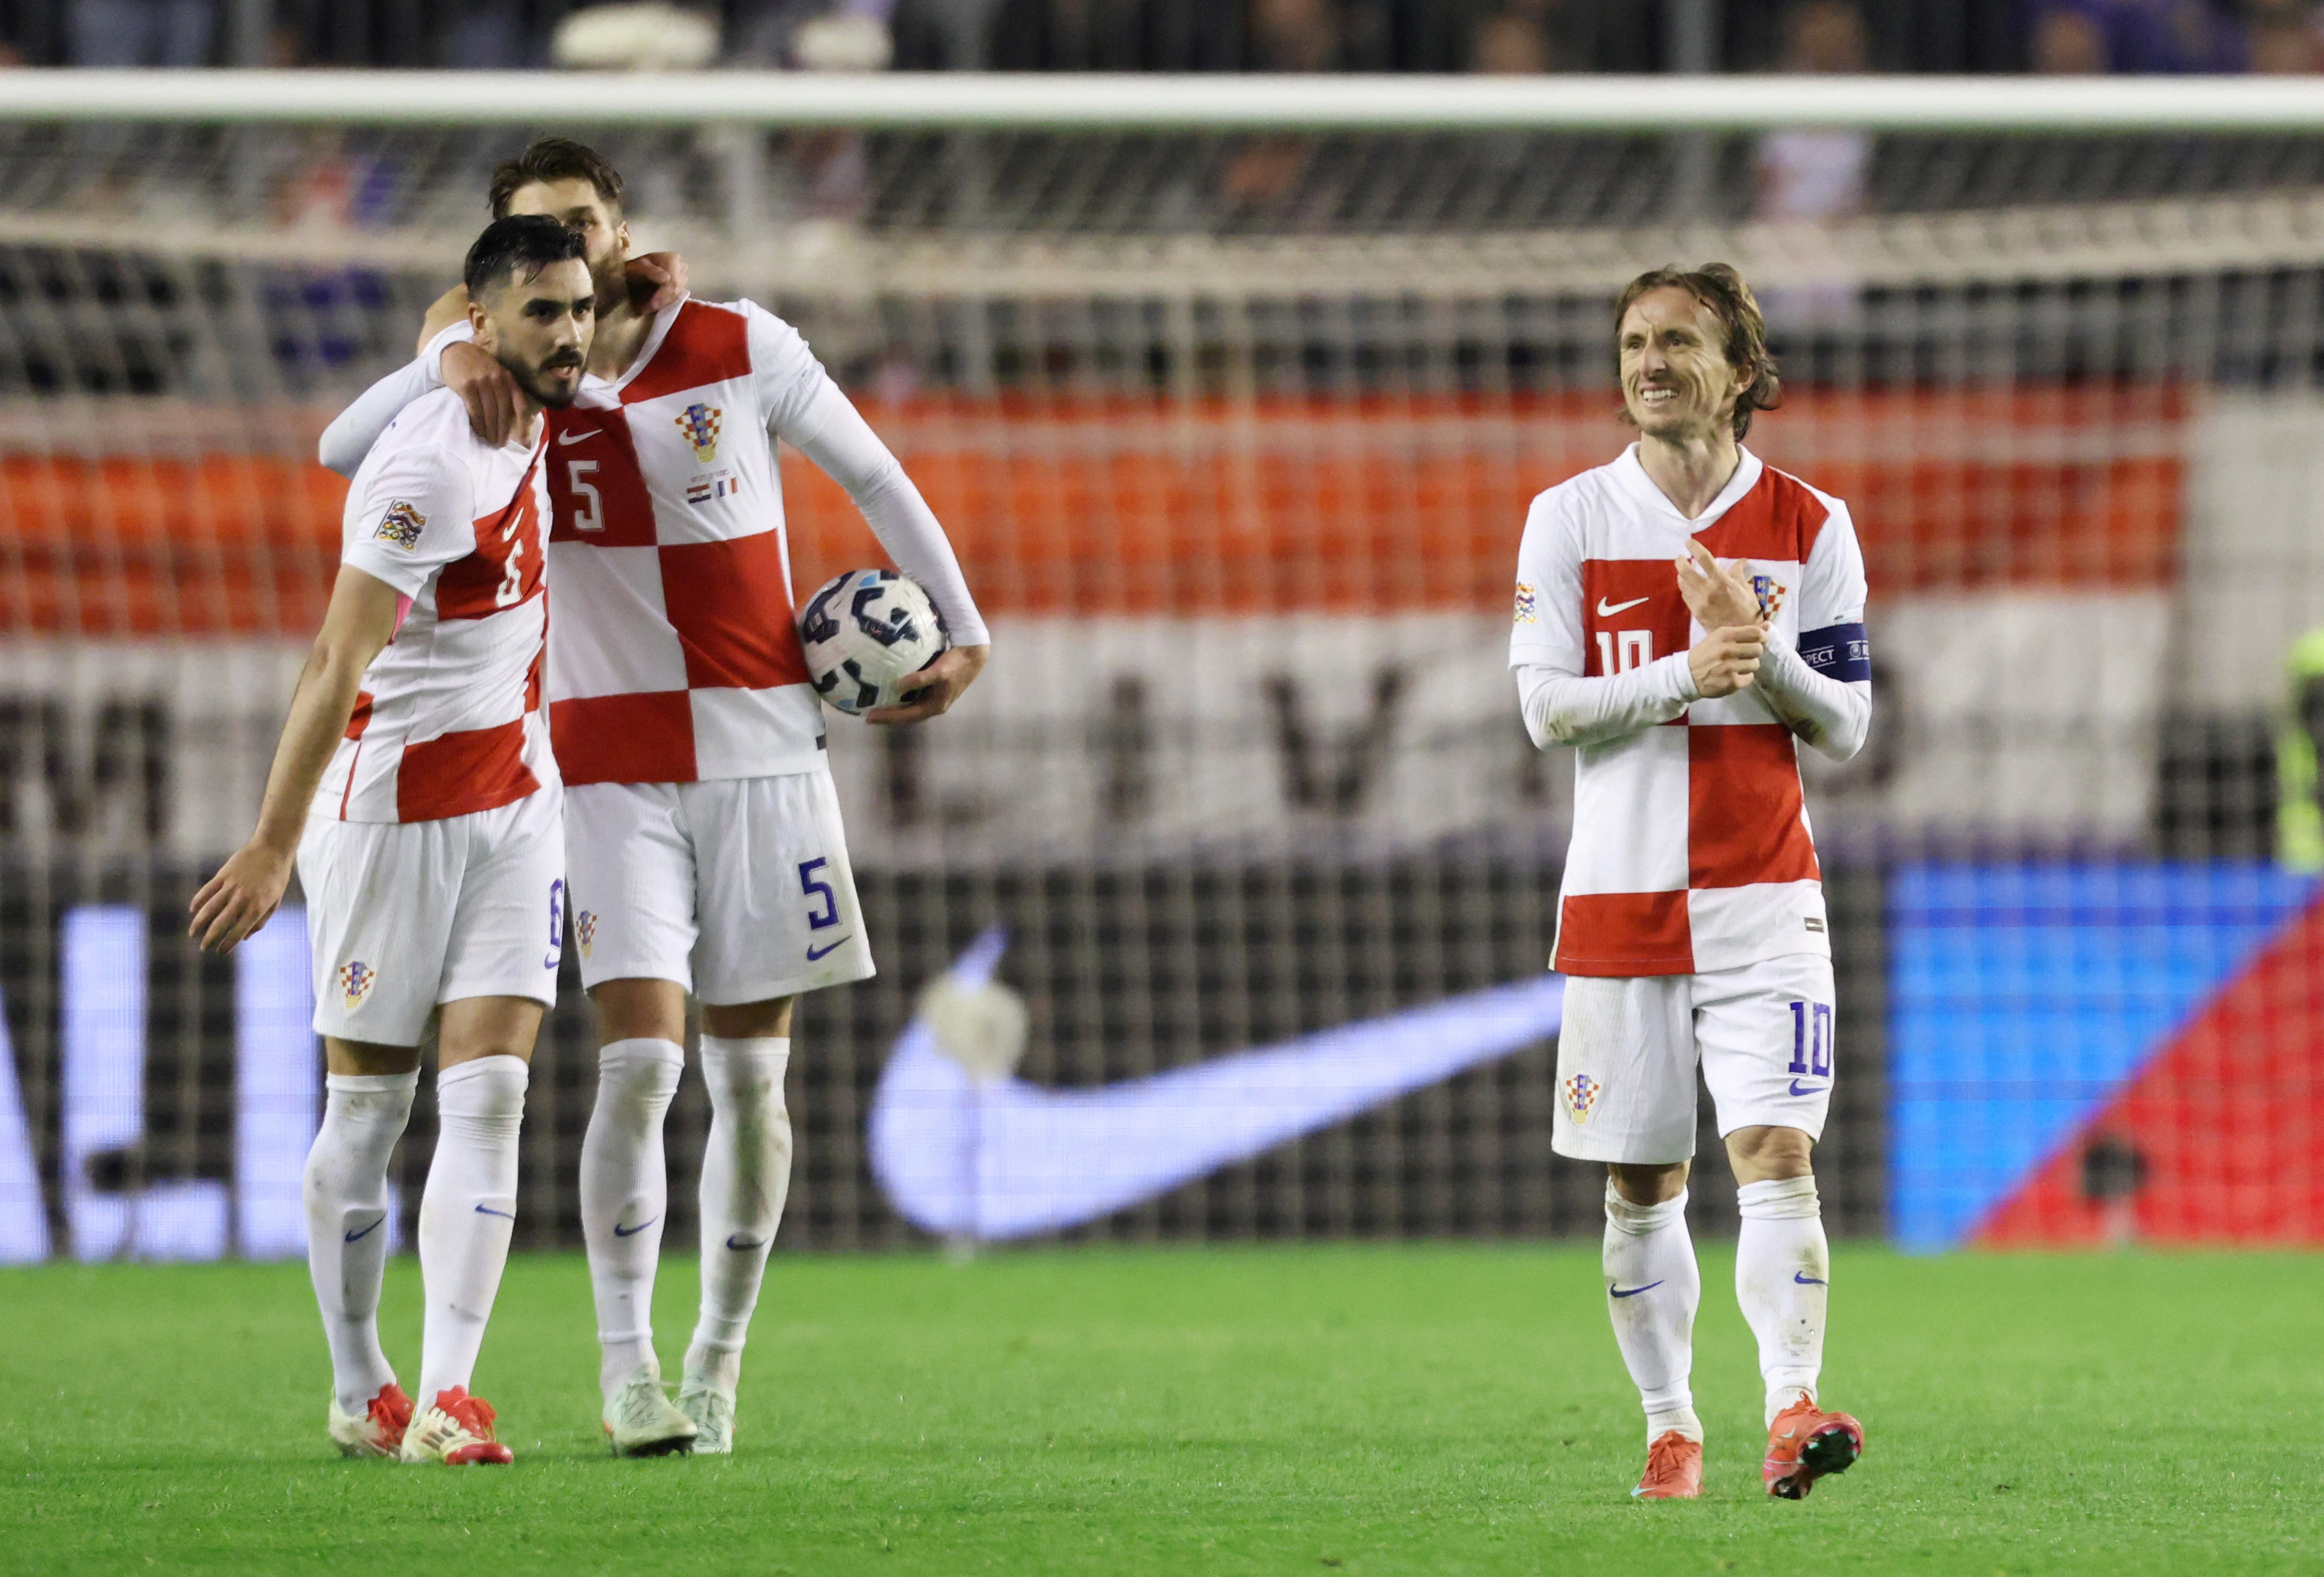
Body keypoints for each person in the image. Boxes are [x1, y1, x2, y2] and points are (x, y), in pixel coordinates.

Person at [317, 137, 989, 1458]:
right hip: (604, 766)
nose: (575, 247)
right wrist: (442, 352)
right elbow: (343, 444)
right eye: (542, 234)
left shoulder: (739, 341)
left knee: (754, 1086)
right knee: (638, 1065)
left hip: (768, 752)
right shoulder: (511, 374)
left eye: (586, 220)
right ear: (508, 264)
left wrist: (962, 631)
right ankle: (628, 1373)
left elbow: (873, 475)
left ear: (621, 224)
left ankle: (718, 1362)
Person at [195, 215, 596, 1466]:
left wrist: (473, 335)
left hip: (518, 806)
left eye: (582, 308)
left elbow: (482, 310)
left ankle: (449, 1396)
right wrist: (270, 845)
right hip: (387, 813)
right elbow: (334, 658)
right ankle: (359, 1375)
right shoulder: (430, 461)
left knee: (493, 1096)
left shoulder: (528, 385)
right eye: (546, 312)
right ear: (487, 323)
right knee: (368, 1114)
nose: (574, 332)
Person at [1507, 263, 1871, 1501]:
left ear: (1742, 372)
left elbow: (1848, 725)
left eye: (1676, 341)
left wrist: (1760, 658)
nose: (1648, 361)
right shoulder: (1569, 517)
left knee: (1774, 1149)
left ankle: (1789, 1408)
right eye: (1632, 340)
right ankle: (1670, 1424)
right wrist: (1681, 673)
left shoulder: (1812, 523)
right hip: (1619, 901)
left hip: (1768, 894)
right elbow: (1544, 709)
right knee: (1643, 1179)